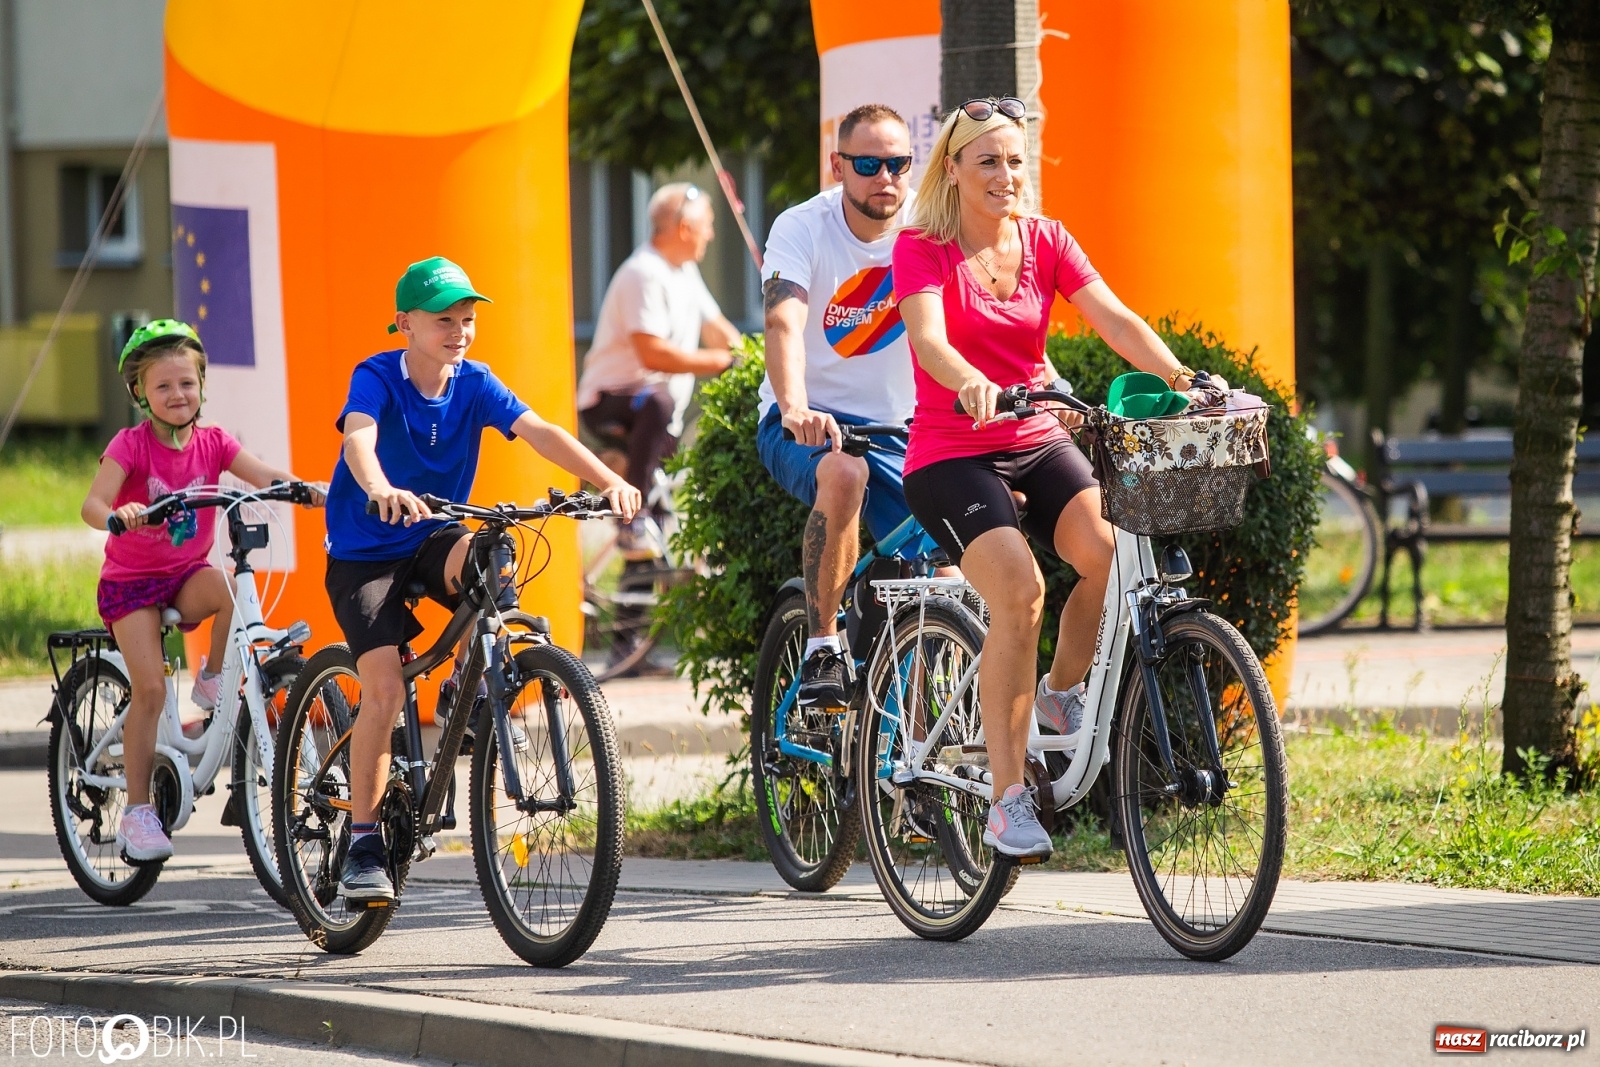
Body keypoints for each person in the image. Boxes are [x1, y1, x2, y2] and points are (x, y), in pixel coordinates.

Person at [894, 97, 1212, 861]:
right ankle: (1008, 799)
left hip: (1034, 434)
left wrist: (1183, 376)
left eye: (1014, 160)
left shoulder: (1046, 240)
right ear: (953, 170)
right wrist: (969, 379)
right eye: (988, 161)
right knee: (1021, 592)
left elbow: (1115, 318)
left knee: (1111, 553)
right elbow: (928, 338)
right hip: (951, 451)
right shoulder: (922, 246)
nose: (1005, 174)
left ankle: (1059, 695)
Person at [324, 256, 640, 902]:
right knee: (383, 688)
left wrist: (608, 480)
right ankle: (362, 844)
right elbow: (359, 438)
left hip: (430, 535)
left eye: (467, 319)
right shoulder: (377, 375)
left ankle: (464, 699)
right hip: (365, 550)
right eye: (444, 320)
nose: (460, 331)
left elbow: (538, 430)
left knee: (494, 559)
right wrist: (379, 487)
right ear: (405, 324)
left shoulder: (475, 382)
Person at [80, 319, 327, 864]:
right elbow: (92, 504)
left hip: (185, 573)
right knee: (149, 690)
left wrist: (302, 489)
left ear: (202, 386)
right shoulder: (131, 445)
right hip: (131, 585)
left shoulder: (213, 442)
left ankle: (212, 679)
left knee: (230, 590)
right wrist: (118, 513)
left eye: (187, 383)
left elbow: (260, 474)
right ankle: (138, 812)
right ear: (139, 392)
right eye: (163, 386)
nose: (177, 394)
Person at [757, 103, 918, 708]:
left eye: (898, 163)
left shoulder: (928, 227)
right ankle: (823, 646)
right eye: (868, 164)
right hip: (806, 423)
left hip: (899, 429)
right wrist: (795, 406)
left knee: (951, 571)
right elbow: (783, 320)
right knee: (844, 475)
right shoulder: (802, 226)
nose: (885, 178)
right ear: (838, 166)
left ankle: (928, 736)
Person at [576, 182, 740, 543]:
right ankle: (630, 521)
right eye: (708, 225)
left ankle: (638, 565)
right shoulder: (643, 273)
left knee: (662, 512)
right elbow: (653, 354)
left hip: (658, 413)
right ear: (685, 228)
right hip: (611, 402)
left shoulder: (684, 270)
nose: (711, 235)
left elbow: (717, 329)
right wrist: (721, 361)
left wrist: (752, 359)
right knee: (659, 403)